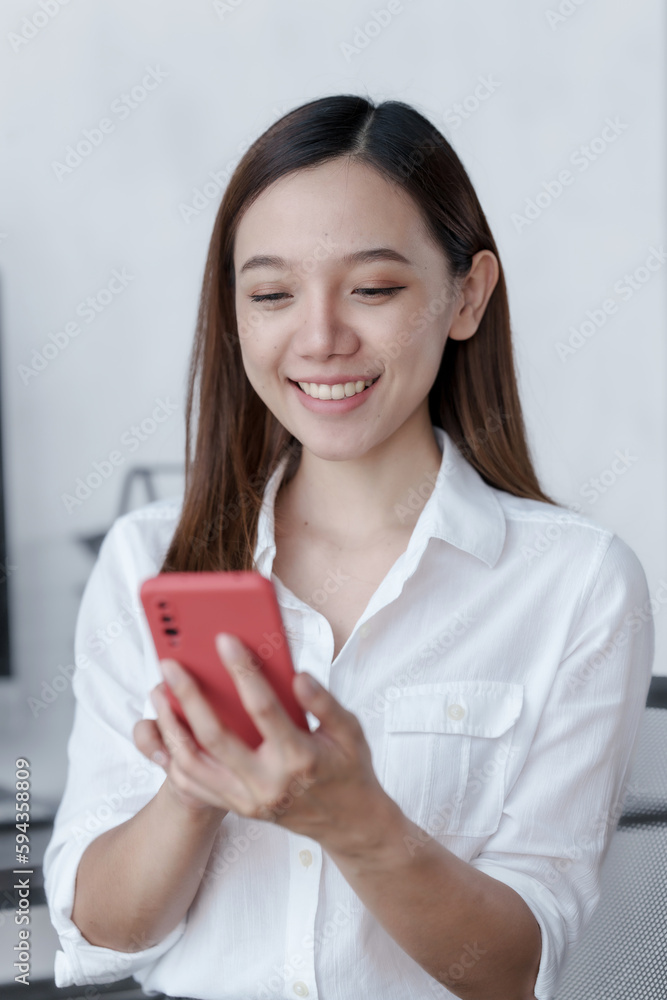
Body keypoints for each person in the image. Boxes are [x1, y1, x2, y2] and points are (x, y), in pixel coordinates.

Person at [43, 94, 654, 1000]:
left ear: (466, 295)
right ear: (235, 315)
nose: (321, 337)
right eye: (272, 294)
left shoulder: (574, 584)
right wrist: (193, 790)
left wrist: (361, 825)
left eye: (372, 289)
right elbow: (93, 936)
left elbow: (513, 971)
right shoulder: (150, 559)